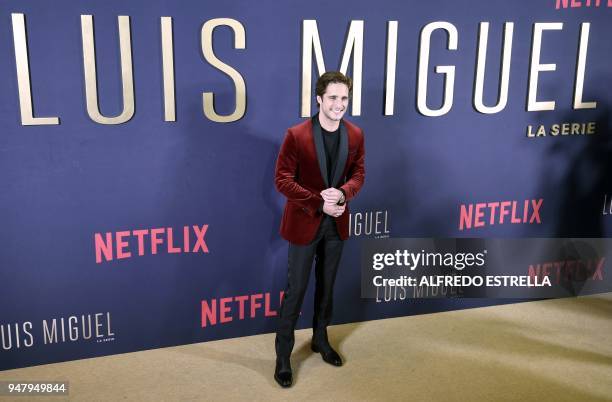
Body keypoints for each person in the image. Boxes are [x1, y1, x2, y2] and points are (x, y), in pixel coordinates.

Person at [273, 71, 365, 388]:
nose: (339, 105)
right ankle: (283, 356)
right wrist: (317, 202)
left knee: (327, 288)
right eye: (333, 98)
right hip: (304, 222)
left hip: (336, 223)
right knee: (296, 290)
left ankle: (320, 340)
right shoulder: (296, 135)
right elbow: (282, 180)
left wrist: (343, 193)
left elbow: (358, 174)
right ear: (319, 99)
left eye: (344, 98)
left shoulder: (355, 135)